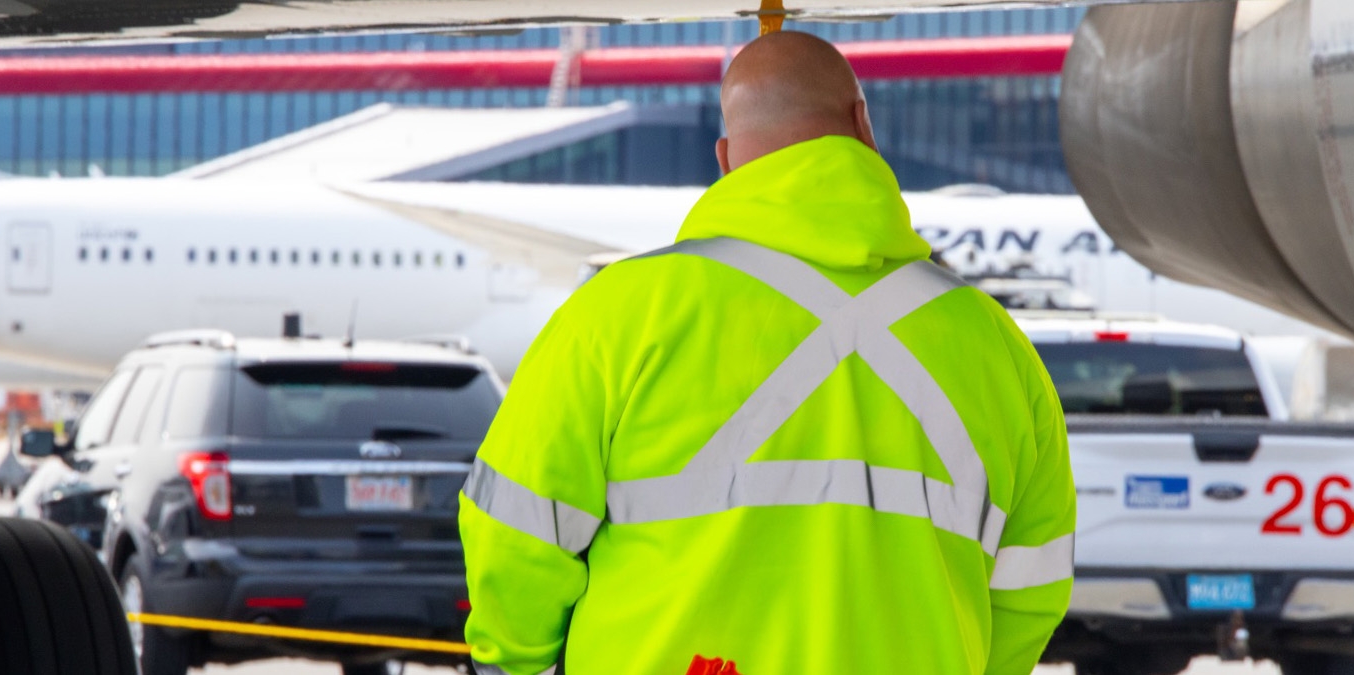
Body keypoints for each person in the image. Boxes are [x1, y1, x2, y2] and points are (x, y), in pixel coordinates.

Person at [459, 30, 1074, 675]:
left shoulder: (618, 317)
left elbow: (515, 538)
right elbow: (1029, 592)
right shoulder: (997, 346)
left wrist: (513, 663)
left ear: (725, 159)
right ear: (863, 125)